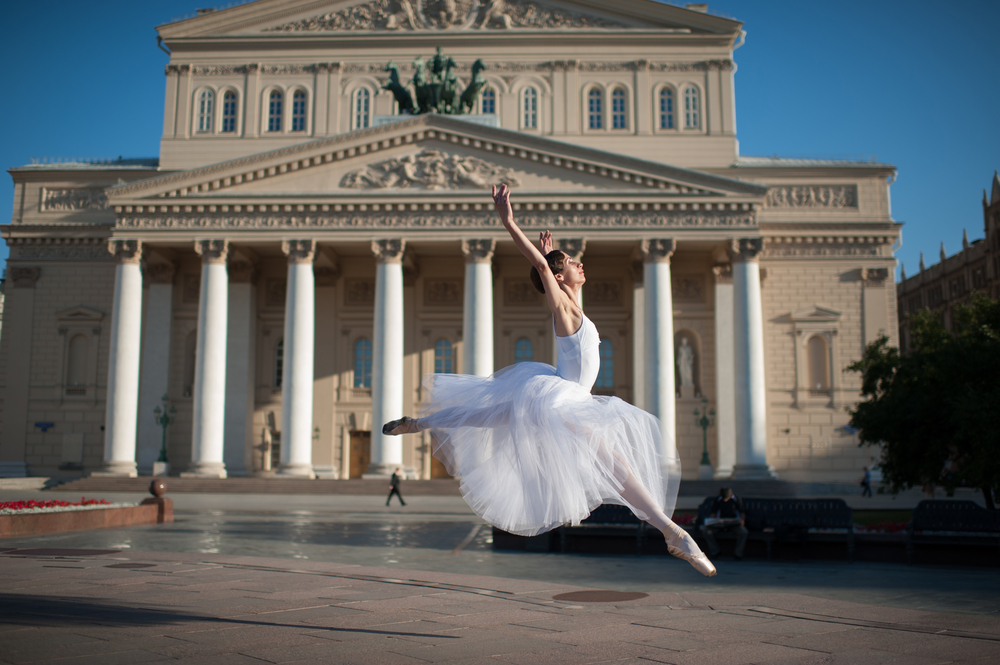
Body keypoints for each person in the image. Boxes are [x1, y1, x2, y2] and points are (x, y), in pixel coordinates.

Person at [381, 183, 716, 577]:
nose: (580, 264)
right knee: (615, 463)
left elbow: (559, 280)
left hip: (556, 392)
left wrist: (553, 251)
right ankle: (673, 533)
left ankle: (417, 423)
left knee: (483, 414)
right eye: (572, 263)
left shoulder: (576, 309)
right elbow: (543, 269)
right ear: (558, 277)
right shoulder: (562, 309)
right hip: (563, 400)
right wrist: (511, 224)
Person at [702, 487, 748, 560]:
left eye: (727, 498)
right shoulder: (717, 500)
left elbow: (742, 513)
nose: (725, 500)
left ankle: (738, 553)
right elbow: (713, 514)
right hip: (719, 524)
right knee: (707, 532)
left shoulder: (736, 500)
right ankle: (715, 551)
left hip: (733, 523)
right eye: (724, 498)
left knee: (743, 532)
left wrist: (742, 521)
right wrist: (711, 522)